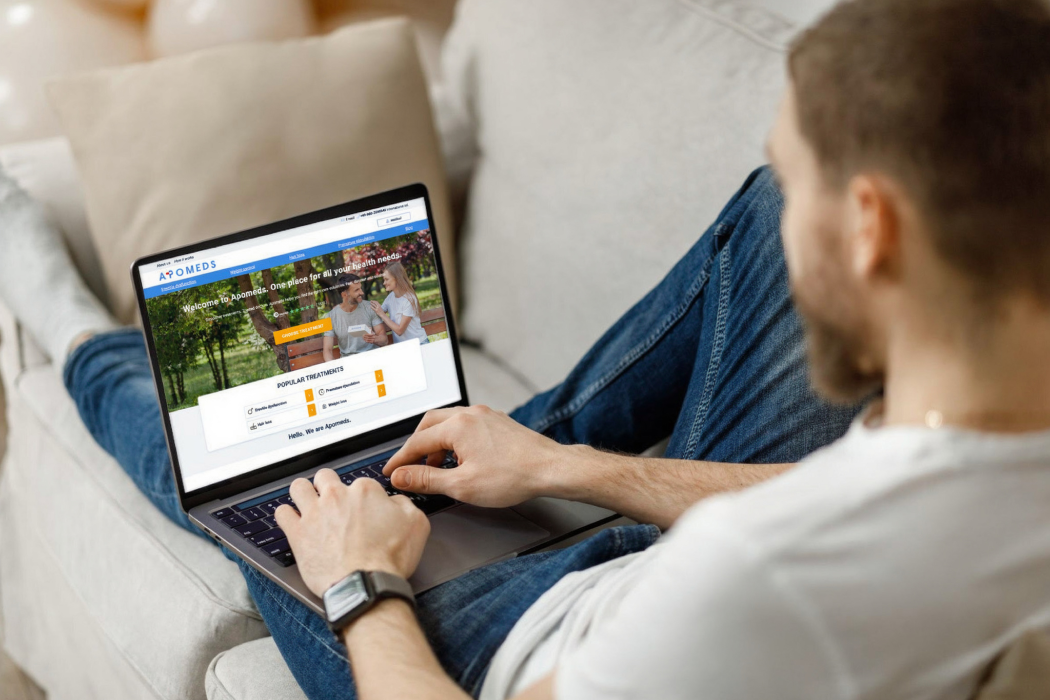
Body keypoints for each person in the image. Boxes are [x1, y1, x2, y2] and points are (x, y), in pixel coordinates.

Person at [1, 0, 1047, 698]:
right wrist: (571, 470)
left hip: (524, 638)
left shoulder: (750, 577)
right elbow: (826, 515)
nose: (789, 210)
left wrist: (360, 579)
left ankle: (74, 330)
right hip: (679, 594)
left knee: (269, 490)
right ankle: (513, 444)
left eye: (802, 183)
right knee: (469, 451)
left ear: (872, 229)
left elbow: (772, 561)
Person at [322, 273, 387, 361]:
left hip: (372, 359)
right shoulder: (330, 317)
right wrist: (336, 370)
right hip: (349, 362)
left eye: (360, 288)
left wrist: (374, 339)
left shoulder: (369, 308)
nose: (362, 292)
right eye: (356, 290)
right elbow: (327, 350)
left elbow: (384, 340)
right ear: (344, 295)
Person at [369, 261, 429, 345]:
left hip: (418, 344)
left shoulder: (409, 299)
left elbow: (400, 330)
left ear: (397, 279)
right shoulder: (390, 297)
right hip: (402, 347)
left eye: (386, 279)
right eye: (384, 280)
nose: (384, 283)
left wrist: (382, 314)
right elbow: (377, 313)